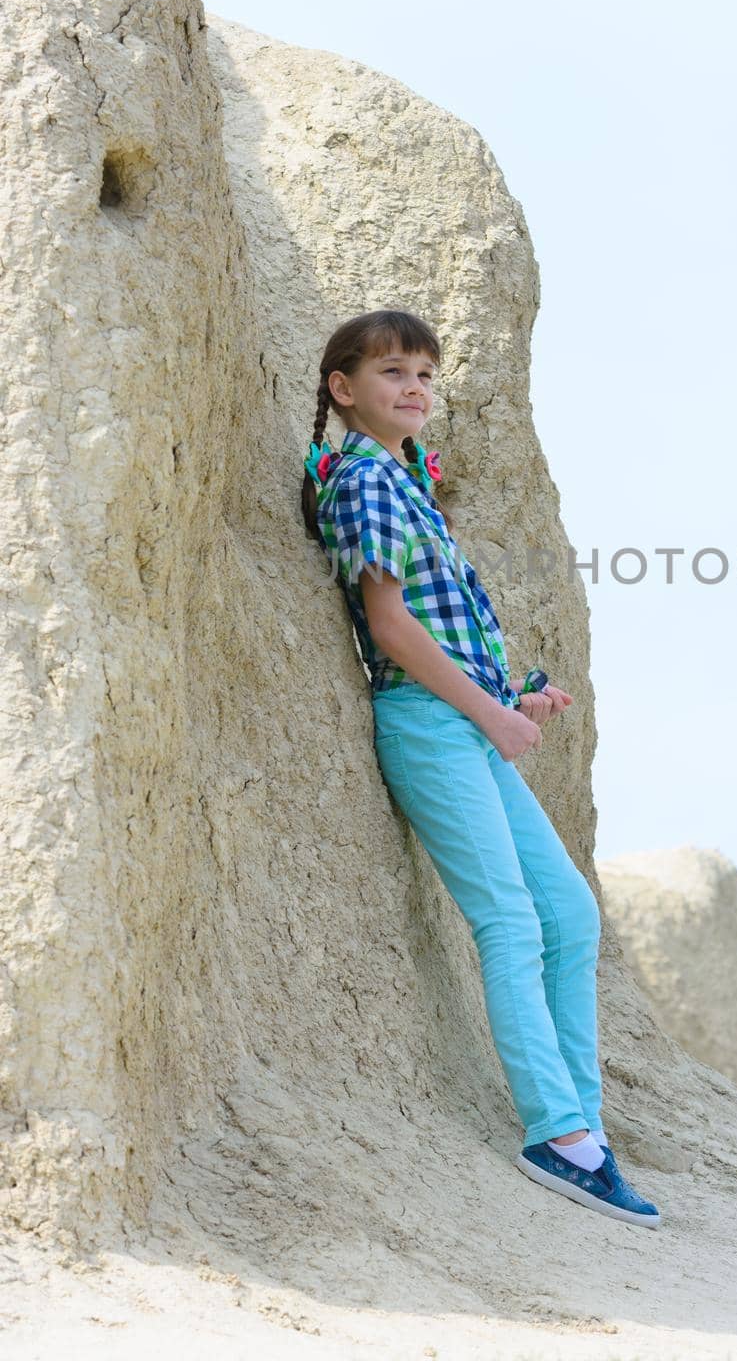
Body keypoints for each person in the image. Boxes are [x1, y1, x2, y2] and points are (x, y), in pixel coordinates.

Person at [300, 307, 661, 1228]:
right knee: (507, 918)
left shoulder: (411, 483)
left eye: (424, 373)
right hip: (428, 723)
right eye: (391, 373)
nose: (414, 388)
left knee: (568, 912)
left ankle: (585, 1126)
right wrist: (491, 713)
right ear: (344, 390)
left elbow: (446, 621)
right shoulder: (364, 480)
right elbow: (388, 628)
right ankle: (559, 1136)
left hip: (465, 716)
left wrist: (518, 696)